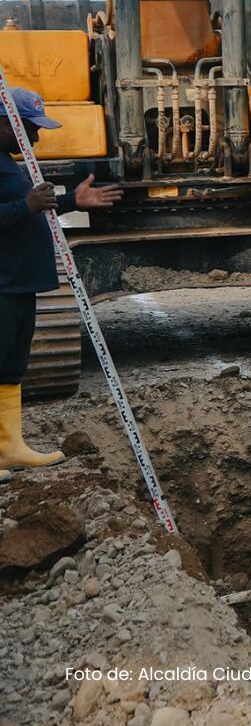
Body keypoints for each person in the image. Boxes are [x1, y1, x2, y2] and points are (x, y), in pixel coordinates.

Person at [0, 88, 123, 480]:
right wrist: (25, 207)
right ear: (4, 122)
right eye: (28, 129)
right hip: (1, 283)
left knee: (10, 364)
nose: (34, 138)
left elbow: (34, 206)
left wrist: (72, 200)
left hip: (19, 281)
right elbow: (23, 208)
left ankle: (7, 448)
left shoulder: (6, 160)